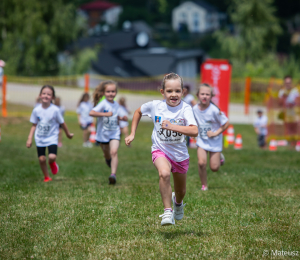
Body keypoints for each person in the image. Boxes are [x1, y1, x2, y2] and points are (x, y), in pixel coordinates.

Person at [125, 73, 198, 226]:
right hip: (160, 150)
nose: (174, 94)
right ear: (162, 92)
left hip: (180, 155)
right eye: (169, 91)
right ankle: (167, 211)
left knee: (181, 192)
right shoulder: (155, 106)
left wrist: (172, 126)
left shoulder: (186, 108)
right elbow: (138, 112)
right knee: (164, 173)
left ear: (183, 92)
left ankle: (178, 203)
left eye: (177, 91)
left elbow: (194, 131)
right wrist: (132, 133)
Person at [26, 85, 74, 182]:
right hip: (40, 138)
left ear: (53, 97)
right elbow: (34, 125)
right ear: (40, 95)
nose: (46, 96)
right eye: (44, 93)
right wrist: (30, 138)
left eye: (49, 94)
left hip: (52, 137)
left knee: (52, 156)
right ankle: (47, 176)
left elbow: (62, 123)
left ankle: (52, 163)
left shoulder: (55, 110)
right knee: (42, 159)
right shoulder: (36, 110)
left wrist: (68, 134)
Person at [89, 80, 127, 184]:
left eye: (113, 91)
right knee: (107, 154)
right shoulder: (103, 104)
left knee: (114, 151)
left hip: (114, 133)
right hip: (103, 134)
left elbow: (114, 116)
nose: (111, 94)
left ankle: (113, 175)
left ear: (116, 93)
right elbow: (91, 113)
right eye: (108, 91)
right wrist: (104, 114)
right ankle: (107, 159)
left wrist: (121, 118)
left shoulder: (116, 105)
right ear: (104, 93)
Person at [193, 83, 229, 191]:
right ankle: (204, 185)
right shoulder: (194, 109)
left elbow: (226, 123)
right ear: (197, 95)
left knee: (214, 168)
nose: (204, 96)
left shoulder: (214, 110)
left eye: (207, 94)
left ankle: (220, 157)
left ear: (211, 96)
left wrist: (215, 133)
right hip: (202, 140)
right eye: (202, 94)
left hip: (215, 141)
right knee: (201, 163)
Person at [278, 75, 299, 147]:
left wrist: (293, 104)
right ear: (284, 83)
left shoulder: (295, 90)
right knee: (287, 128)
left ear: (291, 82)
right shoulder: (282, 91)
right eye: (286, 83)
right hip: (286, 112)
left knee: (295, 127)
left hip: (294, 112)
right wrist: (283, 97)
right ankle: (290, 143)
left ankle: (295, 143)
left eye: (289, 82)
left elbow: (298, 101)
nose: (288, 84)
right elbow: (279, 103)